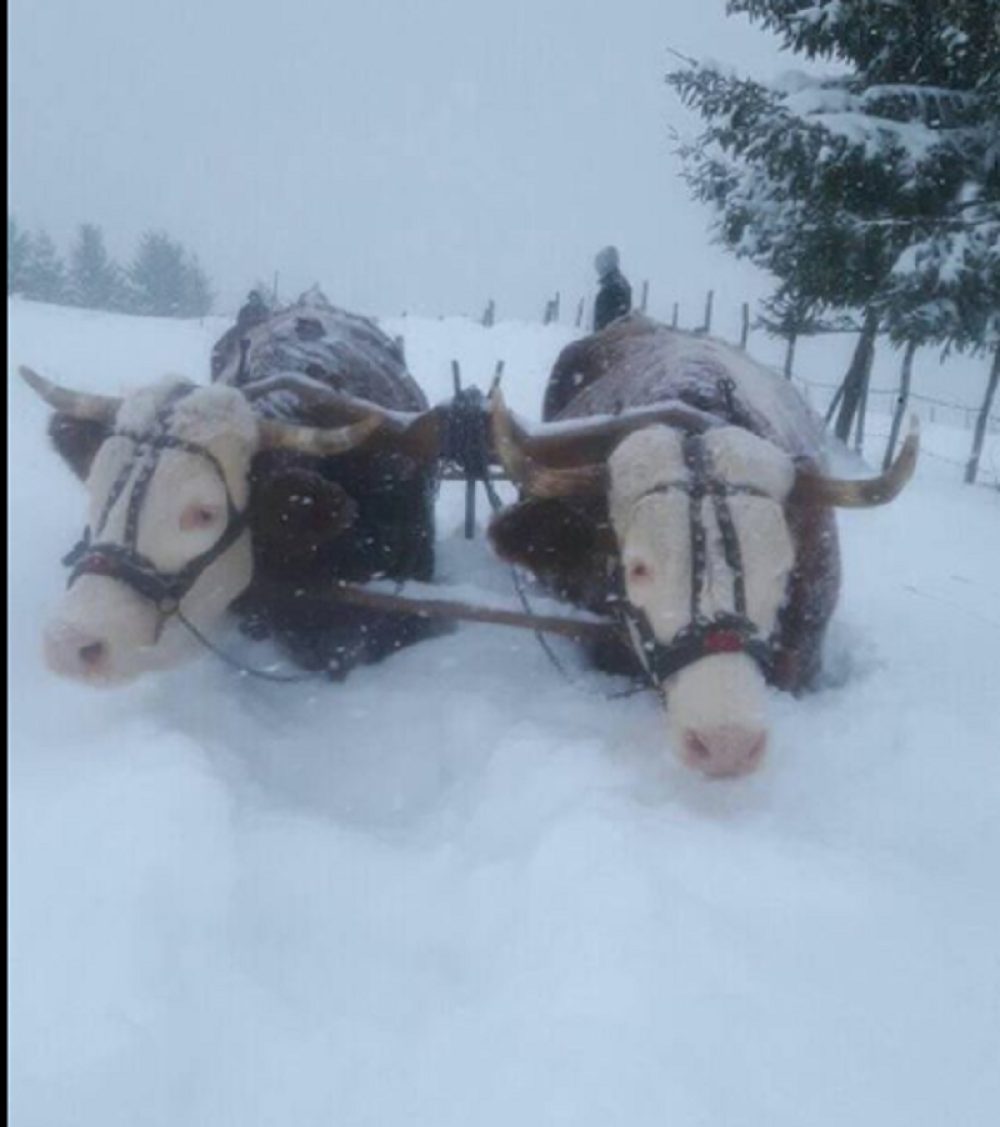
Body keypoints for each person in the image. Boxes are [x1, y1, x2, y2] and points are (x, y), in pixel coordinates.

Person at [592, 246, 632, 332]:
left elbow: (605, 325)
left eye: (599, 265)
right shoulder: (621, 284)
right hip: (617, 339)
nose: (598, 270)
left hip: (608, 341)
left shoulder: (611, 288)